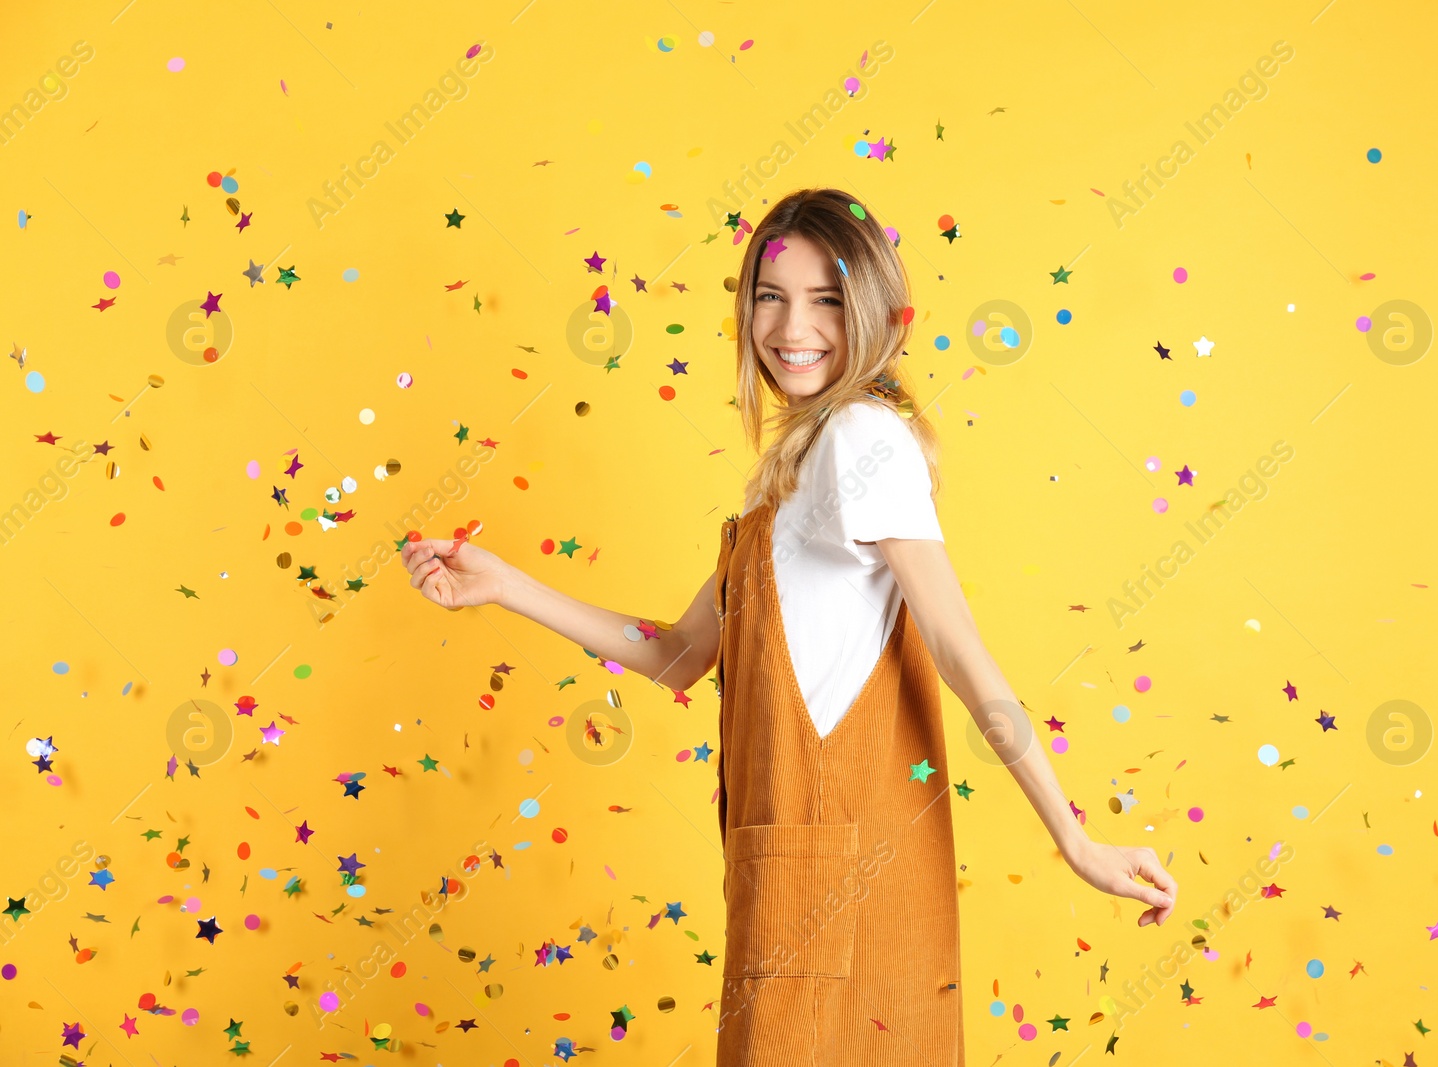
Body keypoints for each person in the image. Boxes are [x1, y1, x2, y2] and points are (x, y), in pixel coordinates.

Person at [401, 187, 1177, 1065]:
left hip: (836, 884)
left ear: (874, 312)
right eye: (771, 296)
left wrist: (1072, 837)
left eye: (827, 300)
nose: (791, 326)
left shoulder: (859, 439)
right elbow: (680, 654)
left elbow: (958, 647)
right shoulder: (797, 468)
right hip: (802, 881)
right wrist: (504, 584)